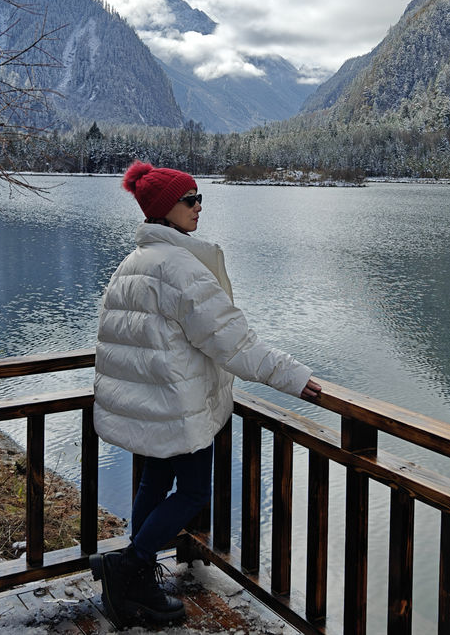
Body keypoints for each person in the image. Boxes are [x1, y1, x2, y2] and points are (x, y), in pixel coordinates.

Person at [89, 161, 321, 628]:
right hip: (179, 407)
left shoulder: (132, 263)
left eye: (199, 198)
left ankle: (135, 578)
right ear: (164, 210)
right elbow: (233, 343)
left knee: (155, 480)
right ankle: (130, 565)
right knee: (193, 490)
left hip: (151, 406)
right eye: (189, 200)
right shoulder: (181, 267)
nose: (199, 207)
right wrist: (294, 376)